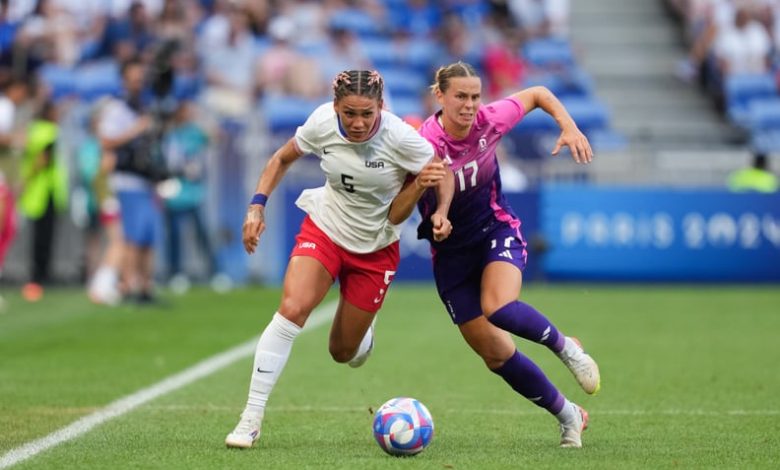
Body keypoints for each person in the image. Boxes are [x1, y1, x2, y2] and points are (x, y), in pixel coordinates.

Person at [225, 69, 453, 449]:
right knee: (292, 309)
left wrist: (440, 209)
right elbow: (281, 159)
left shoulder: (400, 137)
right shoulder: (320, 124)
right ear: (335, 107)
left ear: (381, 106)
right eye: (349, 113)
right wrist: (256, 205)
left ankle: (363, 336)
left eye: (367, 113)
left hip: (376, 247)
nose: (359, 122)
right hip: (325, 229)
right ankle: (251, 418)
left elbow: (435, 176)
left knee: (342, 352)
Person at [414, 61, 599, 448]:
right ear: (440, 96)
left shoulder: (489, 119)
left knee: (498, 305)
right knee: (496, 355)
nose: (469, 105)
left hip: (496, 231)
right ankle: (569, 415)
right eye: (460, 96)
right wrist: (440, 216)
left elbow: (537, 94)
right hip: (450, 255)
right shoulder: (423, 140)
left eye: (475, 96)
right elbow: (440, 174)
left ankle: (566, 348)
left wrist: (569, 125)